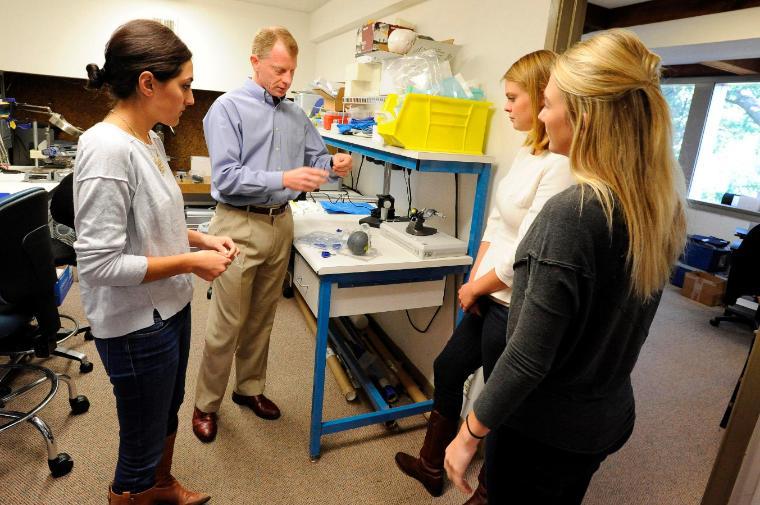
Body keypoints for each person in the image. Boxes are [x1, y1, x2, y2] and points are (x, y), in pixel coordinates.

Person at [444, 29, 687, 505]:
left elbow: (527, 356)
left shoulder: (573, 213)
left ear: (586, 116)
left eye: (549, 104)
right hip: (603, 417)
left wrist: (470, 432)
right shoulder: (658, 206)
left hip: (543, 428)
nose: (540, 115)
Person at [394, 50, 575, 503]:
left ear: (541, 97)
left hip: (514, 301)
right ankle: (432, 464)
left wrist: (479, 285)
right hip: (488, 290)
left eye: (514, 98)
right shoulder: (529, 149)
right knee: (449, 366)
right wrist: (474, 280)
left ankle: (489, 490)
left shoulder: (563, 165)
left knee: (500, 400)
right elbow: (497, 221)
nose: (507, 106)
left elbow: (528, 248)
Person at [75, 19, 238, 504]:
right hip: (134, 325)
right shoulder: (106, 150)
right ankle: (131, 493)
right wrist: (189, 262)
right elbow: (100, 264)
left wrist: (200, 239)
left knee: (166, 411)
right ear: (148, 83)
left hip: (168, 307)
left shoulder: (149, 138)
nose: (191, 98)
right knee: (141, 438)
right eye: (185, 86)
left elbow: (152, 221)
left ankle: (161, 487)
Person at [192, 26, 352, 443]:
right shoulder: (227, 109)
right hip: (237, 225)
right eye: (278, 69)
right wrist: (283, 175)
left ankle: (249, 389)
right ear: (255, 62)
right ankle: (206, 404)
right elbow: (226, 178)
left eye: (291, 72)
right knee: (226, 324)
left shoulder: (297, 114)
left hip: (281, 222)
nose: (285, 79)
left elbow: (316, 159)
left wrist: (332, 164)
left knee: (262, 319)